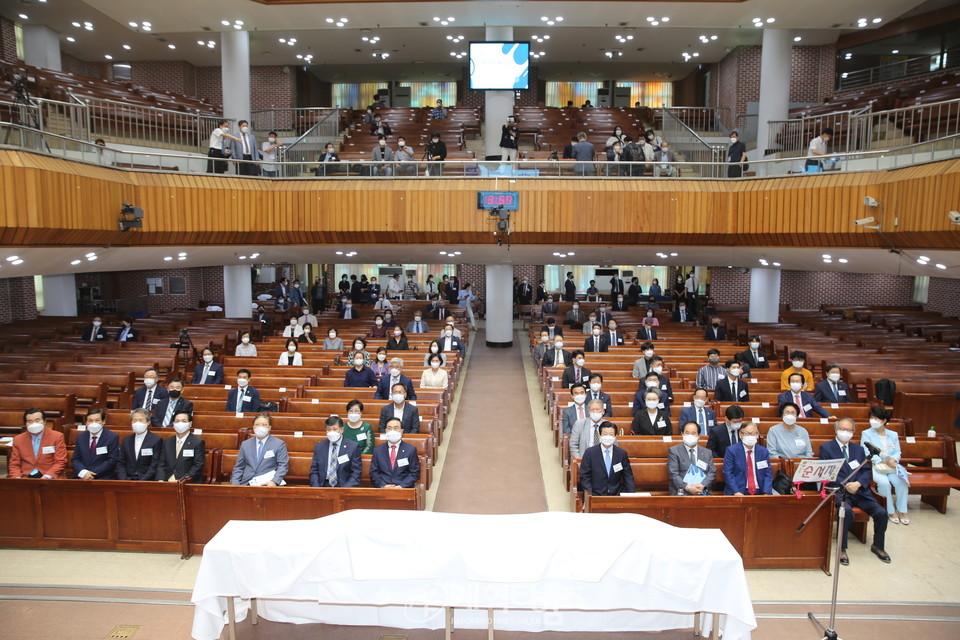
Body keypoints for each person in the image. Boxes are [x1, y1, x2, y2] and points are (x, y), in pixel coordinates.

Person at [820, 418, 891, 564]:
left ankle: (878, 546)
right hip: (840, 491)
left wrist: (858, 483)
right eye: (842, 429)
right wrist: (845, 485)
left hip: (860, 491)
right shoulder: (826, 448)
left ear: (853, 432)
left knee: (881, 513)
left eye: (849, 430)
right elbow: (826, 473)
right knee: (845, 511)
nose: (845, 432)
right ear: (836, 430)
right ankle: (842, 548)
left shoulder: (858, 449)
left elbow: (865, 470)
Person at [861, 407, 910, 525]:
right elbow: (867, 453)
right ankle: (890, 510)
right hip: (876, 465)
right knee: (884, 484)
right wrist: (884, 460)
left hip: (892, 465)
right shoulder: (866, 434)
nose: (873, 420)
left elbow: (898, 451)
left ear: (884, 421)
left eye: (876, 418)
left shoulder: (893, 434)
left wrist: (893, 460)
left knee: (901, 482)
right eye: (871, 418)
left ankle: (902, 510)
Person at [579, 422, 635, 497]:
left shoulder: (621, 453)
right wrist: (589, 496)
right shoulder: (590, 453)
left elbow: (628, 476)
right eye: (605, 434)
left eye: (611, 434)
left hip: (617, 495)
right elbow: (585, 477)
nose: (608, 437)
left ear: (615, 436)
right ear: (599, 435)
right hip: (595, 495)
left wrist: (631, 496)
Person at [231, 414, 289, 486]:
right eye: (257, 424)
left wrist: (274, 481)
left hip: (267, 483)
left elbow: (283, 466)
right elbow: (239, 467)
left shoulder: (279, 444)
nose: (260, 427)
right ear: (253, 427)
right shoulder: (245, 444)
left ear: (269, 428)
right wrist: (235, 484)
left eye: (264, 424)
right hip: (247, 483)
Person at [9, 408, 67, 479]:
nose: (34, 424)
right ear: (26, 424)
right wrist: (17, 478)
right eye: (30, 421)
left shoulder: (57, 437)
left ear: (44, 421)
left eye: (37, 420)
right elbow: (14, 464)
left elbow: (60, 461)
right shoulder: (18, 439)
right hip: (26, 478)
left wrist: (46, 477)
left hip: (50, 478)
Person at [309, 416, 362, 487]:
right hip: (323, 485)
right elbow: (314, 471)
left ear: (342, 430)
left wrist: (345, 490)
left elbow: (356, 472)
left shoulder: (353, 447)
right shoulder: (319, 447)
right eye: (329, 430)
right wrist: (316, 488)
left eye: (335, 429)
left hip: (344, 485)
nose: (332, 432)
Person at [723, 422, 773, 495]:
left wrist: (766, 492)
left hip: (760, 491)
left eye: (753, 433)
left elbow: (768, 474)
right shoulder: (732, 451)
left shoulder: (763, 452)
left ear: (757, 435)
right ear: (740, 435)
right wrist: (736, 492)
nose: (750, 436)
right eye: (746, 433)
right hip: (738, 491)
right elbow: (728, 473)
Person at [667, 421, 717, 495]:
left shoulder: (707, 452)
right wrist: (688, 487)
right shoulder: (674, 451)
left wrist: (702, 486)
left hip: (702, 490)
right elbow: (673, 474)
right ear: (682, 434)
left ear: (698, 436)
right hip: (682, 491)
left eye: (693, 433)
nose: (690, 435)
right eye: (687, 433)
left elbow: (712, 472)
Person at [370, 417, 420, 488]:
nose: (392, 431)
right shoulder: (378, 450)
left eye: (396, 428)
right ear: (386, 431)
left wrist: (401, 486)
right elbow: (373, 472)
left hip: (403, 488)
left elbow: (414, 473)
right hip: (383, 489)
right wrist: (383, 486)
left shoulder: (410, 450)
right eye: (389, 428)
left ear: (402, 431)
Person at [157, 411, 205, 483]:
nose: (180, 423)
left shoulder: (198, 442)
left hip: (187, 482)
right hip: (167, 480)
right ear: (173, 424)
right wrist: (161, 480)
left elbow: (197, 466)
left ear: (190, 424)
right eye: (177, 421)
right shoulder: (167, 442)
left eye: (184, 421)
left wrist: (182, 480)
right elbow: (162, 464)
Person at [72, 409, 120, 480]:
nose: (93, 423)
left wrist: (91, 473)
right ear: (86, 423)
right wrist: (84, 472)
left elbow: (112, 460)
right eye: (90, 421)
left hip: (103, 477)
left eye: (97, 420)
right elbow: (75, 459)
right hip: (83, 476)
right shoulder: (81, 437)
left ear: (103, 422)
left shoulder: (112, 437)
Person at [117, 408, 162, 481]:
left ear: (148, 422)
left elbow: (154, 465)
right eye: (134, 421)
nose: (137, 423)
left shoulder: (156, 440)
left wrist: (141, 481)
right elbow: (121, 463)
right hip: (127, 479)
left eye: (141, 420)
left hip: (146, 480)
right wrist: (123, 480)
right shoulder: (126, 440)